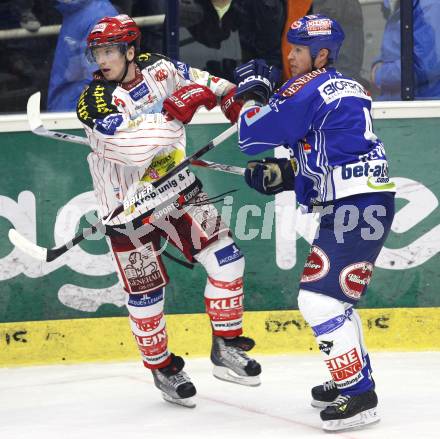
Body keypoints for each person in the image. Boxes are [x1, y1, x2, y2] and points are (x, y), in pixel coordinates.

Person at [76, 14, 260, 408]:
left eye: (110, 51)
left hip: (176, 191)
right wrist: (173, 114)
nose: (102, 59)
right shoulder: (94, 102)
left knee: (227, 259)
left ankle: (226, 346)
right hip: (127, 208)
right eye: (98, 52)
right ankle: (163, 367)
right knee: (147, 297)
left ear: (130, 51)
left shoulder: (160, 67)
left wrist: (235, 100)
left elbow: (210, 86)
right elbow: (132, 150)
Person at [233, 14, 396, 431]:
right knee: (333, 301)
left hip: (354, 205)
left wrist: (252, 95)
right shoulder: (346, 86)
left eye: (299, 49)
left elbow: (250, 134)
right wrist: (286, 175)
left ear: (322, 55)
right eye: (290, 46)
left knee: (319, 300)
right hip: (359, 199)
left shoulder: (308, 86)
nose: (291, 55)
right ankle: (353, 381)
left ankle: (359, 397)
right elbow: (329, 148)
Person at [371, 0, 440, 99]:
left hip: (421, 104)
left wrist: (378, 75)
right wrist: (377, 63)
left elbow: (427, 64)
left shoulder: (430, 5)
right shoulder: (394, 3)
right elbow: (393, 47)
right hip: (393, 102)